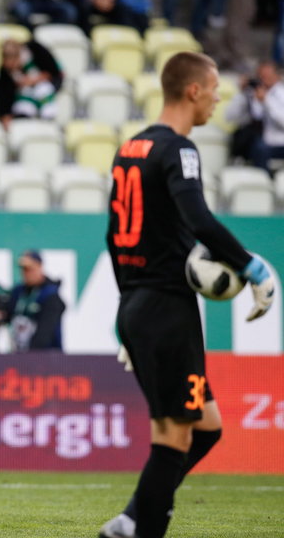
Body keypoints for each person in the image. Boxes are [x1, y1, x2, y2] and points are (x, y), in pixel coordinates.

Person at [100, 51, 274, 538]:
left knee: (207, 428)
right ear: (193, 90)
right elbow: (198, 219)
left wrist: (127, 312)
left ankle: (135, 517)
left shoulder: (128, 148)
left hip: (139, 304)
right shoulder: (180, 150)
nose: (219, 98)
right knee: (173, 436)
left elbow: (115, 238)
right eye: (215, 88)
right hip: (166, 308)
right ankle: (140, 527)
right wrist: (252, 267)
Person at [0, 250, 65, 353]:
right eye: (23, 269)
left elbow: (45, 333)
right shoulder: (18, 291)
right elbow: (10, 314)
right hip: (20, 356)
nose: (25, 273)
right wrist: (1, 313)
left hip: (46, 358)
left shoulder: (50, 296)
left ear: (40, 267)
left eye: (29, 269)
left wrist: (29, 358)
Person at [225, 61, 284, 176]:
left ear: (276, 76)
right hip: (254, 145)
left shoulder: (281, 94)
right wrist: (242, 93)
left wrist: (266, 101)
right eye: (261, 76)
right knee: (258, 147)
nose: (264, 80)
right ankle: (260, 183)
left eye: (268, 76)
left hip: (279, 144)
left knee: (261, 148)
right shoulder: (250, 94)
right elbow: (229, 117)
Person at [0, 38, 64, 129]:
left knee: (43, 89)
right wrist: (5, 115)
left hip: (46, 86)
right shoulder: (4, 72)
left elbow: (54, 73)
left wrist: (32, 80)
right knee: (24, 99)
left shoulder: (36, 50)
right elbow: (3, 94)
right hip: (24, 95)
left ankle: (48, 124)